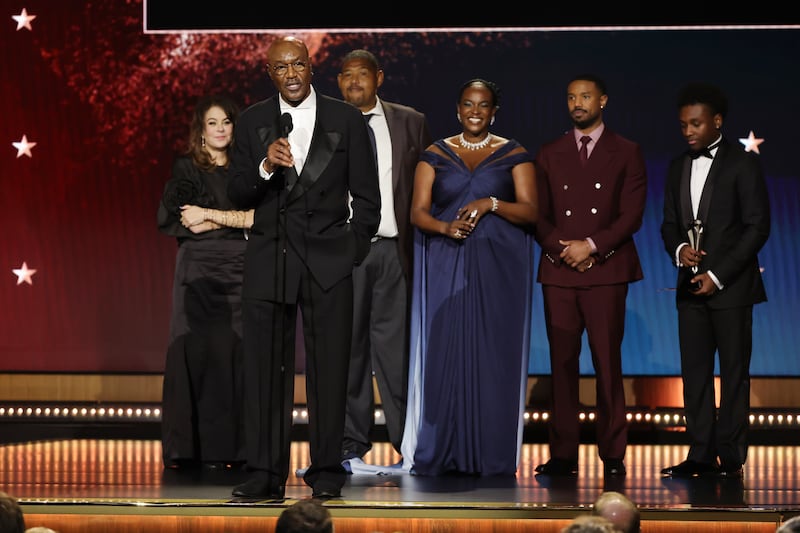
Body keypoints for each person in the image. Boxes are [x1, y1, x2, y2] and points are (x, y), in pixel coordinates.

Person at [226, 36, 381, 500]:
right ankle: (264, 472)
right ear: (269, 73)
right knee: (264, 372)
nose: (291, 74)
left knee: (330, 370)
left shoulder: (346, 119)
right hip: (270, 261)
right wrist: (265, 167)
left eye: (298, 64)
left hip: (328, 262)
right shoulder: (254, 120)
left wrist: (350, 249)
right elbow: (237, 192)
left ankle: (327, 469)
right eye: (281, 67)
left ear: (311, 67)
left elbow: (369, 200)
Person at [400, 78, 538, 476]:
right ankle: (440, 450)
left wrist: (491, 203)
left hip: (499, 265)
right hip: (446, 261)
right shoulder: (435, 154)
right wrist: (445, 229)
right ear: (457, 109)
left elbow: (530, 211)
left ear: (494, 111)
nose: (475, 111)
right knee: (445, 353)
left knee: (494, 356)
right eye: (467, 104)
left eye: (483, 105)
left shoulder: (515, 154)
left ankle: (491, 455)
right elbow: (418, 213)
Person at [533, 73, 647, 478]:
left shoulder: (627, 151)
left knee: (607, 363)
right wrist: (564, 250)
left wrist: (592, 247)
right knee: (562, 365)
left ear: (603, 100)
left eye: (585, 96)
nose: (577, 103)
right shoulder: (549, 152)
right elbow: (537, 213)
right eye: (570, 97)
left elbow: (631, 215)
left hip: (605, 270)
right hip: (560, 271)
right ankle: (563, 454)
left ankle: (613, 453)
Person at [660, 82, 769, 479]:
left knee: (734, 374)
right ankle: (700, 454)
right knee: (695, 374)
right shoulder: (676, 166)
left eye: (695, 124)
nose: (688, 131)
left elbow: (758, 227)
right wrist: (679, 252)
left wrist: (717, 275)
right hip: (689, 289)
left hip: (732, 290)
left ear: (717, 122)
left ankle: (731, 457)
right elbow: (669, 223)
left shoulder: (743, 163)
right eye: (683, 125)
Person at [336, 49, 432, 464]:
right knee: (348, 353)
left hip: (395, 251)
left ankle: (407, 445)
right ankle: (350, 446)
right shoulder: (324, 123)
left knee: (395, 355)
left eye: (362, 74)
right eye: (346, 75)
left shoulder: (411, 121)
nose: (354, 82)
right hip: (344, 255)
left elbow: (430, 183)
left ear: (379, 77)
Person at [157, 94, 253, 470]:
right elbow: (178, 219)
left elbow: (256, 218)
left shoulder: (246, 170)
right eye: (212, 123)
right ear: (201, 129)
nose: (220, 129)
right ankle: (187, 450)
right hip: (197, 271)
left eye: (226, 122)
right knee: (194, 354)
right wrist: (231, 218)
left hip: (240, 270)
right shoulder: (187, 168)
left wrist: (212, 218)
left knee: (235, 355)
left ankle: (235, 450)